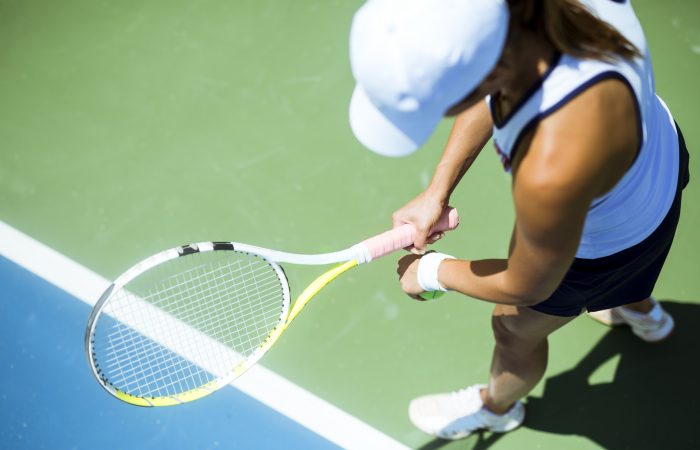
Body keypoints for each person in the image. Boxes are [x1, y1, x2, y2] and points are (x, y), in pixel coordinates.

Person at [348, 0, 690, 440]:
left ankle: (496, 409)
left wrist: (431, 272)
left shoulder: (553, 164)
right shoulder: (517, 25)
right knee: (639, 258)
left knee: (511, 327)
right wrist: (438, 190)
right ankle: (640, 311)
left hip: (603, 245)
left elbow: (528, 285)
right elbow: (492, 92)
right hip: (658, 163)